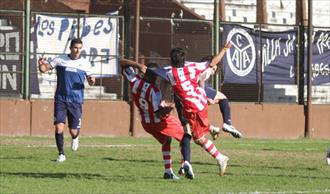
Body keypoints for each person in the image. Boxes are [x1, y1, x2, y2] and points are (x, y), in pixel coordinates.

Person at [165, 43, 232, 177]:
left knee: (197, 138)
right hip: (195, 104)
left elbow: (153, 72)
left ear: (171, 60)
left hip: (194, 107)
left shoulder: (169, 73)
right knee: (190, 133)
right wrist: (224, 49)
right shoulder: (192, 67)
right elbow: (213, 62)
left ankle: (219, 157)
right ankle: (211, 134)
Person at [120, 58, 192, 180]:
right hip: (158, 122)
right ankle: (185, 165)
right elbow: (158, 113)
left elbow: (122, 62)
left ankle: (168, 172)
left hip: (146, 123)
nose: (157, 77)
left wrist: (138, 65)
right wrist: (170, 107)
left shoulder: (134, 80)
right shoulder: (155, 92)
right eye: (156, 75)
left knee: (166, 140)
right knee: (186, 136)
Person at [38, 38, 95, 162]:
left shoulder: (85, 63)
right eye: (75, 48)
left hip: (76, 100)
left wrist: (91, 80)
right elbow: (44, 69)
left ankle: (75, 137)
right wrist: (41, 64)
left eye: (80, 48)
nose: (77, 50)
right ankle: (61, 154)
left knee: (73, 131)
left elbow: (91, 79)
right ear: (70, 48)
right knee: (59, 127)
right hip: (61, 99)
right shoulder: (60, 60)